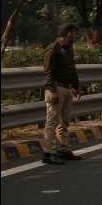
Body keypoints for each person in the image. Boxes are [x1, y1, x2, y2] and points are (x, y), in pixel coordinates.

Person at [41, 24, 83, 165]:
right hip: (57, 88)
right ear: (69, 34)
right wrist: (52, 91)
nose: (75, 36)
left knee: (64, 121)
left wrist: (76, 86)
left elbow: (72, 68)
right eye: (74, 34)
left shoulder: (69, 48)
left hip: (68, 88)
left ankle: (63, 149)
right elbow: (48, 72)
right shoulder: (53, 49)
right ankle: (49, 152)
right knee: (52, 121)